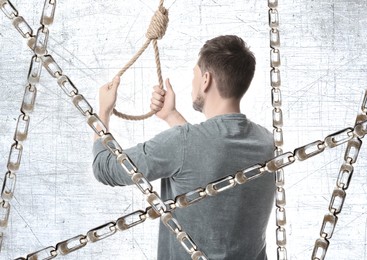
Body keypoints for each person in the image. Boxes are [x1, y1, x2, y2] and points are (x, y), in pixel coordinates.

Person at [93, 35, 275, 260]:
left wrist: (103, 112)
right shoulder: (267, 143)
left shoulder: (183, 143)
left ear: (206, 80)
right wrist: (171, 115)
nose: (193, 84)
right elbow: (209, 156)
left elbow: (104, 166)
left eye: (195, 76)